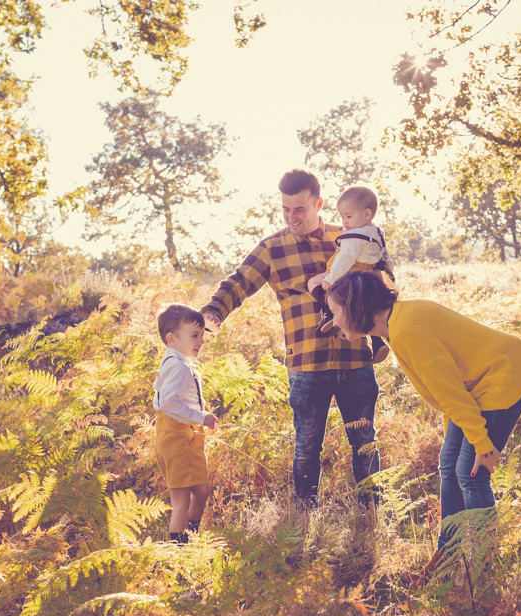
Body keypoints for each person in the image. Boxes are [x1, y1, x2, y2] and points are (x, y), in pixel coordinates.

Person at [325, 270, 521, 572]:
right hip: (478, 382)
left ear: (354, 306)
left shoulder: (407, 330)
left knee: (472, 471)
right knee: (449, 464)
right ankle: (448, 554)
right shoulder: (397, 324)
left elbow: (450, 391)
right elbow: (448, 388)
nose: (334, 321)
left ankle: (485, 565)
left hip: (504, 373)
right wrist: (457, 439)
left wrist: (482, 443)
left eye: (335, 312)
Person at [201, 169, 382, 507]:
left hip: (355, 358)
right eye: (285, 209)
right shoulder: (272, 248)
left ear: (319, 204)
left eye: (299, 209)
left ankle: (372, 513)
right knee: (307, 446)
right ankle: (301, 517)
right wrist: (214, 310)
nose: (291, 216)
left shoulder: (348, 237)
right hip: (306, 364)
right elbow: (238, 283)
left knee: (365, 442)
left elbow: (381, 274)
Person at [153, 304, 218, 543]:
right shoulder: (178, 367)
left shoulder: (176, 364)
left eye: (202, 335)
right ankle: (181, 550)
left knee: (201, 491)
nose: (201, 340)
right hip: (177, 438)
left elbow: (164, 398)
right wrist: (201, 418)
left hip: (185, 438)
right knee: (180, 498)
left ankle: (191, 533)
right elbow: (168, 403)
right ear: (171, 339)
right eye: (194, 335)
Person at [306, 186, 393, 363]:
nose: (344, 221)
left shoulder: (355, 236)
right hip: (370, 274)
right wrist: (390, 275)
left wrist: (331, 278)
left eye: (349, 216)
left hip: (350, 273)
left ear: (367, 214)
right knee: (368, 309)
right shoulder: (376, 232)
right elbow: (386, 255)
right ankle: (378, 342)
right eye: (342, 216)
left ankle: (331, 311)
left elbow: (345, 258)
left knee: (314, 282)